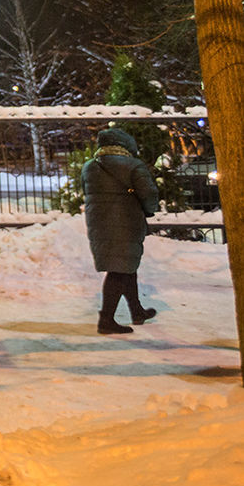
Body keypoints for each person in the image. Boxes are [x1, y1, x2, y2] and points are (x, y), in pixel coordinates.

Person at [81, 128, 161, 334]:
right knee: (119, 270)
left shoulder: (89, 167)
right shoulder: (133, 165)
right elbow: (149, 193)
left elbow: (87, 191)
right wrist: (150, 209)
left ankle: (137, 311)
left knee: (126, 265)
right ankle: (106, 320)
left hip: (98, 222)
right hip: (126, 222)